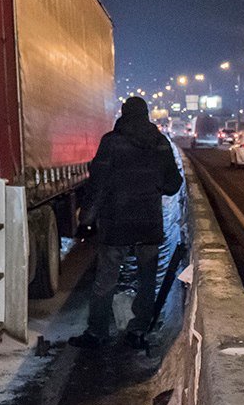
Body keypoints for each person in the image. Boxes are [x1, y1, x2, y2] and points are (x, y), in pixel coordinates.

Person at [72, 96, 183, 349]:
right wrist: (153, 188)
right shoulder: (160, 142)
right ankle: (138, 330)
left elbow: (97, 185)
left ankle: (98, 331)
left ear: (123, 114)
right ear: (146, 114)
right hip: (148, 222)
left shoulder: (110, 143)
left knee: (106, 280)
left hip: (116, 223)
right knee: (147, 280)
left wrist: (87, 219)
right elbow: (173, 184)